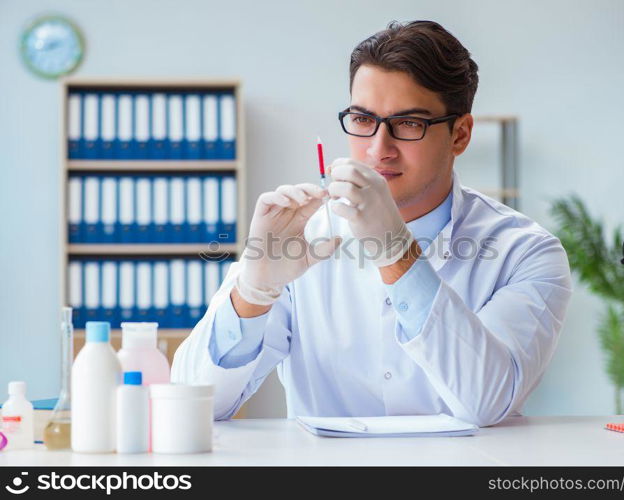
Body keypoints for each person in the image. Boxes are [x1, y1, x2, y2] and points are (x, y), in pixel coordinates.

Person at [171, 20, 572, 427]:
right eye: (363, 120)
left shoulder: (526, 252)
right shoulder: (301, 234)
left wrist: (398, 254)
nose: (379, 150)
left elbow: (487, 401)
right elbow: (194, 405)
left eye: (409, 123)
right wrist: (252, 295)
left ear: (460, 135)